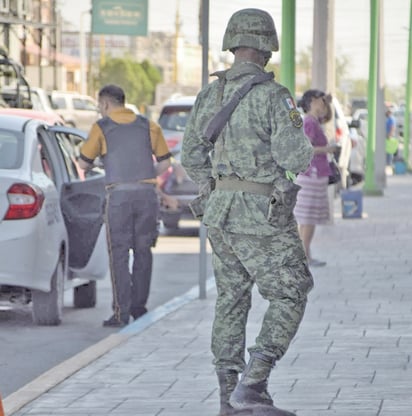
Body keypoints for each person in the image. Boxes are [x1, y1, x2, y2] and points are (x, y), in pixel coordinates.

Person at [181, 8, 314, 416]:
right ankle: (254, 383)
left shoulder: (210, 94)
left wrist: (212, 187)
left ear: (233, 44)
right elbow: (295, 155)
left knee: (231, 300)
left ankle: (227, 397)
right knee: (292, 291)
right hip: (262, 214)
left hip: (219, 213)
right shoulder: (276, 97)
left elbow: (190, 154)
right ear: (267, 48)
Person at [78, 84, 171, 327]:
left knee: (118, 253)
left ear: (106, 104)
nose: (100, 110)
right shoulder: (148, 125)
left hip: (118, 198)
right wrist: (147, 178)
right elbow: (164, 162)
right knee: (143, 251)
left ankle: (121, 313)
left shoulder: (102, 127)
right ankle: (140, 309)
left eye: (100, 106)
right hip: (147, 196)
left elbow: (84, 163)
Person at [293, 89, 337, 268]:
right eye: (320, 101)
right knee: (309, 219)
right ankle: (305, 256)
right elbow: (306, 148)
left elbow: (327, 116)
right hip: (312, 174)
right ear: (311, 101)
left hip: (312, 174)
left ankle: (305, 254)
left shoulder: (313, 121)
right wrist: (327, 150)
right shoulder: (309, 123)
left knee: (307, 219)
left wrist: (328, 102)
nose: (323, 105)